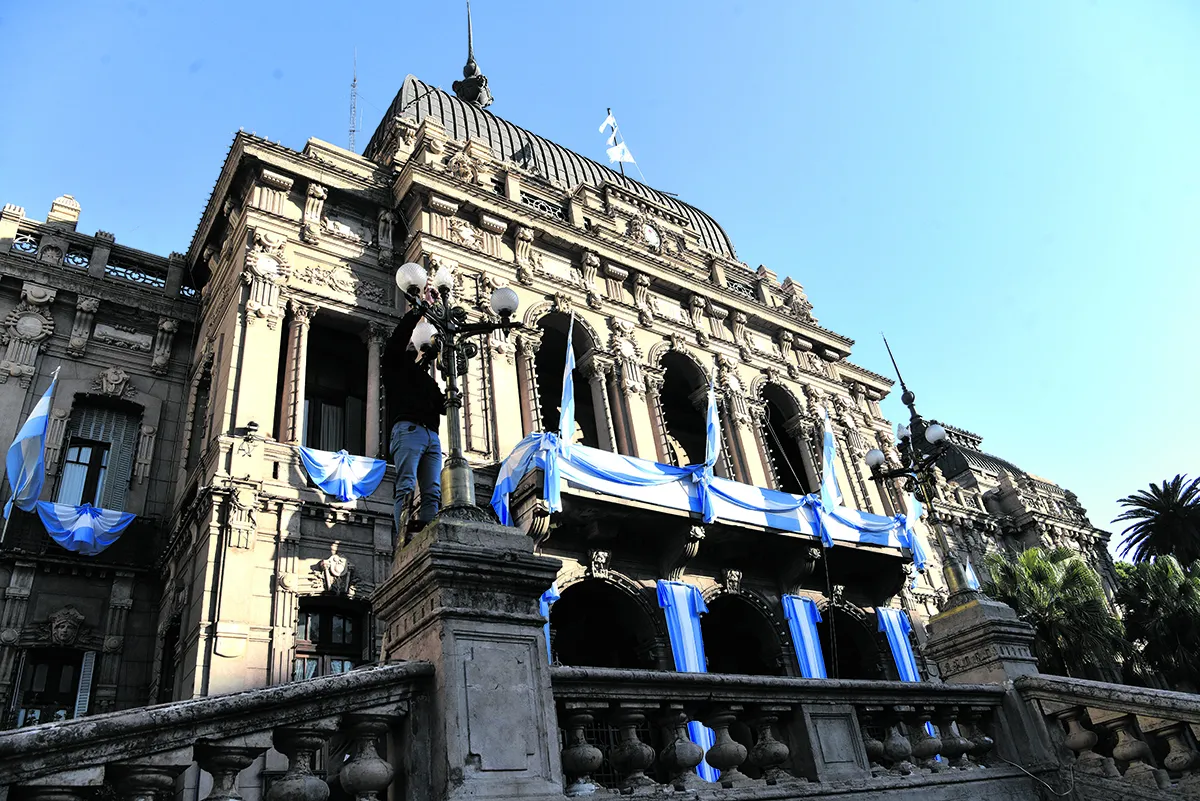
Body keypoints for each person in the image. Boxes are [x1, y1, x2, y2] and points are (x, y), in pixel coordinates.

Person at [382, 306, 446, 543]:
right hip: (408, 430)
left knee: (433, 492)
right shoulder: (392, 366)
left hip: (431, 436)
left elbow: (442, 404)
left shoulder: (425, 378)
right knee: (406, 485)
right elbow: (398, 338)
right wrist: (417, 311)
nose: (411, 343)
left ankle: (428, 536)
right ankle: (403, 536)